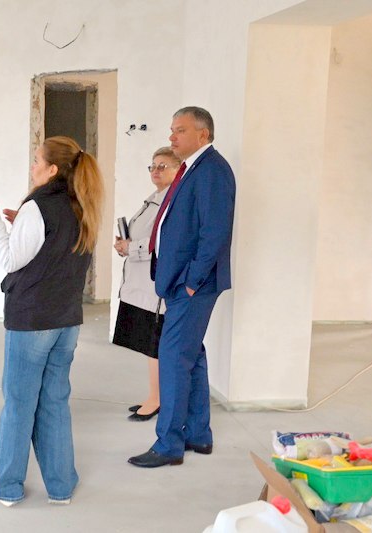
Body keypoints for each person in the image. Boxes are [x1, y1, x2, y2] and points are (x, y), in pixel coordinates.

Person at [0, 136, 103, 506]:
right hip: (66, 320)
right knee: (55, 402)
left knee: (19, 404)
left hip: (33, 320)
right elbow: (52, 250)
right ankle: (61, 487)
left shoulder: (38, 206)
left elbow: (11, 260)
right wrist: (20, 223)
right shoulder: (82, 205)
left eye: (37, 160)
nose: (32, 166)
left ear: (52, 169)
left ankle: (6, 486)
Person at [128, 107, 236, 468]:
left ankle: (169, 445)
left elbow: (214, 232)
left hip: (192, 285)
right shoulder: (194, 167)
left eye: (180, 130)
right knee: (191, 355)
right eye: (172, 130)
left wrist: (192, 281)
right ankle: (199, 434)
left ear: (202, 134)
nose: (172, 137)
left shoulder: (212, 170)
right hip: (178, 280)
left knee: (173, 358)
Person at [113, 147, 182, 422]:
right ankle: (154, 396)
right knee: (148, 344)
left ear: (178, 170)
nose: (156, 170)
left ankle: (157, 400)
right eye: (153, 166)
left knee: (156, 346)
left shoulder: (173, 200)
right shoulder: (154, 199)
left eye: (163, 166)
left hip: (155, 287)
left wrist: (131, 247)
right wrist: (125, 245)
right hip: (140, 284)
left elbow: (162, 243)